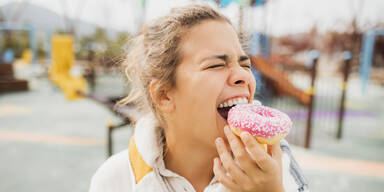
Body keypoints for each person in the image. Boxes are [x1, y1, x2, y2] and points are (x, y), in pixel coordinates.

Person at [89, 4, 308, 192]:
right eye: (216, 65)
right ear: (164, 95)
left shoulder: (277, 167)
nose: (243, 75)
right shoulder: (115, 180)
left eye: (244, 64)